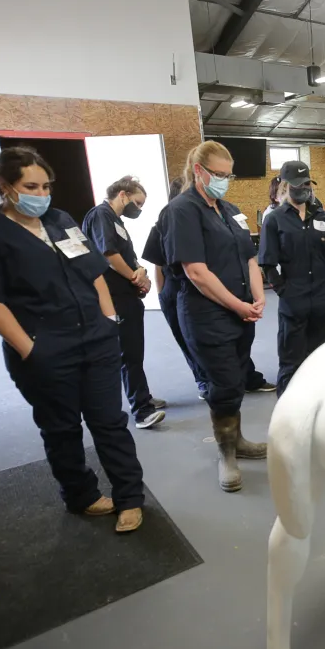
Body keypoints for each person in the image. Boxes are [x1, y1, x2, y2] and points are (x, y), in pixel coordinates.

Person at [0, 146, 146, 533]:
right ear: (4, 186)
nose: (41, 195)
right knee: (61, 429)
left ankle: (129, 497)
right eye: (31, 186)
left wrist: (108, 319)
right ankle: (82, 495)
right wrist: (30, 349)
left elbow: (93, 271)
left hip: (96, 339)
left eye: (46, 187)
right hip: (45, 349)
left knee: (110, 422)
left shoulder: (61, 221)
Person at [161, 140, 269, 492]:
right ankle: (226, 454)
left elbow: (249, 258)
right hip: (207, 314)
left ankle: (237, 440)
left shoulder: (230, 209)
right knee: (222, 384)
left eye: (228, 175)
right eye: (218, 174)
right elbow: (196, 272)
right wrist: (238, 306)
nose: (224, 180)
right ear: (198, 172)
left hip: (241, 312)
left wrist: (255, 297)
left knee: (236, 378)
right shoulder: (182, 210)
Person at [81, 176, 166, 429]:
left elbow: (125, 254)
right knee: (128, 353)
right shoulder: (101, 216)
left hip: (126, 295)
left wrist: (139, 270)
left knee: (134, 351)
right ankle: (141, 410)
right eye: (137, 203)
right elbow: (108, 255)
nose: (138, 209)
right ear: (123, 195)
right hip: (114, 297)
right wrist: (134, 277)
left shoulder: (115, 220)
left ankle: (143, 396)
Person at [259, 160, 325, 396]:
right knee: (291, 360)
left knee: (318, 357)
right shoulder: (275, 219)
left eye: (307, 183)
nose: (304, 189)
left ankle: (314, 404)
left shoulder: (322, 217)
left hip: (321, 300)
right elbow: (267, 263)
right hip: (293, 300)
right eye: (299, 185)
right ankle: (287, 409)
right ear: (286, 186)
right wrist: (283, 291)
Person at [142, 177, 210, 400]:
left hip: (203, 287)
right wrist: (162, 295)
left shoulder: (203, 221)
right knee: (186, 339)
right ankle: (203, 381)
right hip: (175, 288)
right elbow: (158, 265)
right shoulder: (164, 224)